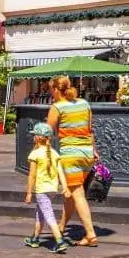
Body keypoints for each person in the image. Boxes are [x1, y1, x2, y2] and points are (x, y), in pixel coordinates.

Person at [46, 75, 99, 246]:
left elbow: (46, 133)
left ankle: (90, 234)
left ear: (55, 90)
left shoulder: (57, 107)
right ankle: (61, 226)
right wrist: (94, 150)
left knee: (77, 194)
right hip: (87, 154)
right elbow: (90, 130)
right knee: (71, 195)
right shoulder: (84, 103)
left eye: (50, 89)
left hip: (71, 155)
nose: (50, 93)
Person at [23, 122, 72, 253]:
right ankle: (35, 238)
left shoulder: (35, 154)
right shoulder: (54, 153)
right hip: (52, 189)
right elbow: (61, 172)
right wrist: (65, 187)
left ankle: (59, 241)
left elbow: (32, 175)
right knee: (40, 214)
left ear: (38, 138)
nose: (33, 137)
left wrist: (28, 192)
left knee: (48, 215)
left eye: (34, 135)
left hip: (41, 190)